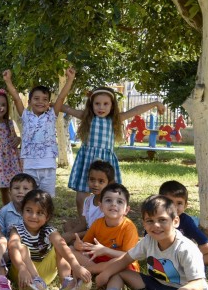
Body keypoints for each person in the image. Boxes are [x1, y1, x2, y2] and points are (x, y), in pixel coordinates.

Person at [91, 195, 208, 290]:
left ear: (175, 221)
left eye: (162, 220)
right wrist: (106, 273)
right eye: (150, 221)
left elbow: (199, 283)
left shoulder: (186, 249)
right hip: (156, 284)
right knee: (119, 271)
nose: (156, 225)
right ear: (144, 224)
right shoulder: (148, 241)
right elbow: (125, 259)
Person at [61, 81, 165, 215]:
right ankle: (83, 219)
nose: (101, 107)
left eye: (106, 104)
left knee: (110, 192)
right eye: (97, 103)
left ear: (112, 105)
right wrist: (51, 104)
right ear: (91, 105)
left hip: (106, 162)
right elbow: (66, 109)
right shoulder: (87, 117)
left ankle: (107, 217)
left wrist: (155, 103)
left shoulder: (115, 119)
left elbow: (136, 110)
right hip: (87, 160)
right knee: (82, 191)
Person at [7, 189, 92, 290]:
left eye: (39, 213)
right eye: (28, 210)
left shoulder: (49, 231)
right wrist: (22, 268)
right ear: (22, 211)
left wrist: (76, 266)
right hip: (22, 273)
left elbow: (62, 246)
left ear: (47, 217)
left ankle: (66, 283)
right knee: (21, 247)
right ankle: (36, 283)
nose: (33, 216)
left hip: (46, 274)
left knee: (60, 245)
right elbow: (12, 247)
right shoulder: (16, 229)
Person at [3, 67, 74, 196]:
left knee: (46, 199)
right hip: (29, 166)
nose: (40, 102)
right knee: (29, 198)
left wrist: (70, 79)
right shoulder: (25, 115)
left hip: (48, 166)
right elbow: (17, 98)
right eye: (36, 99)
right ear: (29, 102)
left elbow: (61, 97)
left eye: (44, 99)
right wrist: (8, 81)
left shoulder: (51, 115)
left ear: (48, 103)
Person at [159, 180, 208, 280]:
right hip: (162, 259)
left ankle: (189, 269)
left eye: (179, 203)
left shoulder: (186, 220)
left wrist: (189, 255)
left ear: (185, 205)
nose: (174, 207)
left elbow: (206, 245)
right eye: (170, 202)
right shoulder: (155, 219)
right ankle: (198, 270)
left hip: (183, 257)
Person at [72, 183, 139, 274]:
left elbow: (129, 256)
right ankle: (97, 269)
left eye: (119, 201)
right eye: (108, 200)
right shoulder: (97, 223)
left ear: (126, 210)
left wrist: (105, 250)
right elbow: (85, 245)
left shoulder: (129, 227)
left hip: (119, 262)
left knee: (119, 263)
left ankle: (90, 270)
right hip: (99, 259)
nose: (113, 204)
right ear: (101, 207)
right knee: (70, 250)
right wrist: (78, 245)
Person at [62, 160, 116, 244]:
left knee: (76, 237)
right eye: (92, 179)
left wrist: (71, 236)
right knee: (68, 225)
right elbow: (83, 224)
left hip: (99, 236)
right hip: (88, 231)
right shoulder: (88, 200)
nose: (95, 184)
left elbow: (97, 232)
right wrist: (69, 234)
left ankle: (76, 244)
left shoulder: (109, 205)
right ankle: (76, 243)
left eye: (101, 181)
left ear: (109, 183)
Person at [0, 173, 37, 238]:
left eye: (25, 189)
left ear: (33, 193)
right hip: (10, 246)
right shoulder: (3, 212)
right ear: (10, 192)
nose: (20, 191)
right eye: (16, 188)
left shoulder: (37, 211)